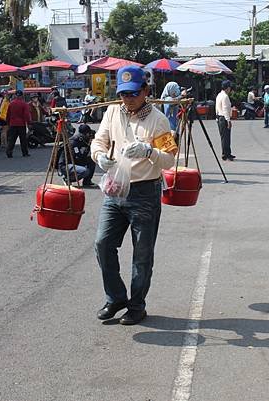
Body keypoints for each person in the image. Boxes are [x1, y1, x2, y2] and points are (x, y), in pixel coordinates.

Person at [90, 65, 178, 325]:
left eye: (133, 94)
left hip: (144, 192)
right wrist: (99, 157)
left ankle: (137, 305)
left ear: (145, 91)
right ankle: (115, 296)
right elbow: (99, 141)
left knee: (142, 254)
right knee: (103, 244)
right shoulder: (112, 112)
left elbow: (169, 160)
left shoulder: (159, 120)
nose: (128, 100)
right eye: (123, 94)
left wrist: (149, 152)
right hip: (115, 189)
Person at [5, 90, 31, 158]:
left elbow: (8, 114)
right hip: (21, 124)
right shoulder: (24, 104)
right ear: (22, 96)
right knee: (23, 139)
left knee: (12, 139)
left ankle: (9, 152)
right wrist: (28, 123)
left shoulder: (11, 103)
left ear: (15, 95)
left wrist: (8, 122)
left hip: (12, 124)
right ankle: (24, 153)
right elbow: (26, 115)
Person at [215, 80, 235, 161]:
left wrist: (216, 117)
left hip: (219, 117)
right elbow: (225, 109)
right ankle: (226, 154)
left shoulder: (219, 95)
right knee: (226, 137)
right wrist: (228, 120)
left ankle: (227, 153)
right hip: (224, 118)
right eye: (229, 87)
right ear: (227, 88)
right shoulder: (225, 96)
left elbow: (216, 108)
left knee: (224, 137)